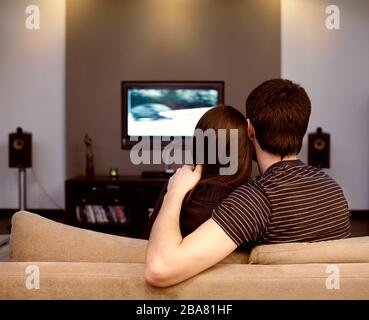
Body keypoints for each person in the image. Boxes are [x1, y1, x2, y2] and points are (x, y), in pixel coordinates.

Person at [145, 79, 351, 288]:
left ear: (249, 130)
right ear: (301, 131)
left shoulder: (258, 198)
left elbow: (160, 269)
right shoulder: (333, 189)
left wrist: (175, 191)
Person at [143, 105, 253, 240]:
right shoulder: (251, 204)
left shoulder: (176, 189)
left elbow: (147, 243)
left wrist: (173, 192)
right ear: (245, 152)